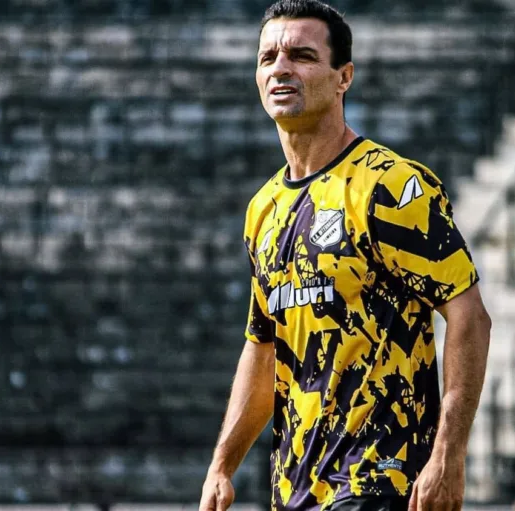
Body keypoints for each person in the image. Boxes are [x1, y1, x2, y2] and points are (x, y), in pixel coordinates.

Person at [198, 1, 491, 510]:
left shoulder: (390, 187)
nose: (281, 68)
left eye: (302, 55)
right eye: (268, 57)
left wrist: (449, 452)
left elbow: (470, 315)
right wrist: (222, 466)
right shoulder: (264, 210)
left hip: (381, 481)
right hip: (295, 489)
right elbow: (263, 348)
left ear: (344, 77)